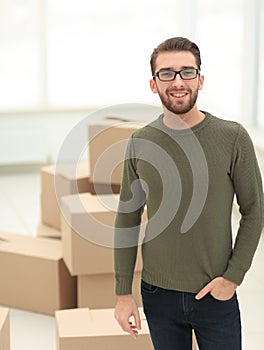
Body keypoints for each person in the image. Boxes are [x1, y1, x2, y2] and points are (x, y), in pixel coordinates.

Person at [114, 37, 263, 350]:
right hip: (157, 294)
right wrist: (123, 294)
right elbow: (127, 219)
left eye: (187, 72)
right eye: (166, 73)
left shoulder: (232, 137)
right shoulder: (140, 142)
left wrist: (233, 277)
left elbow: (254, 209)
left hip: (215, 293)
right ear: (154, 84)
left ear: (201, 79)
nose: (178, 81)